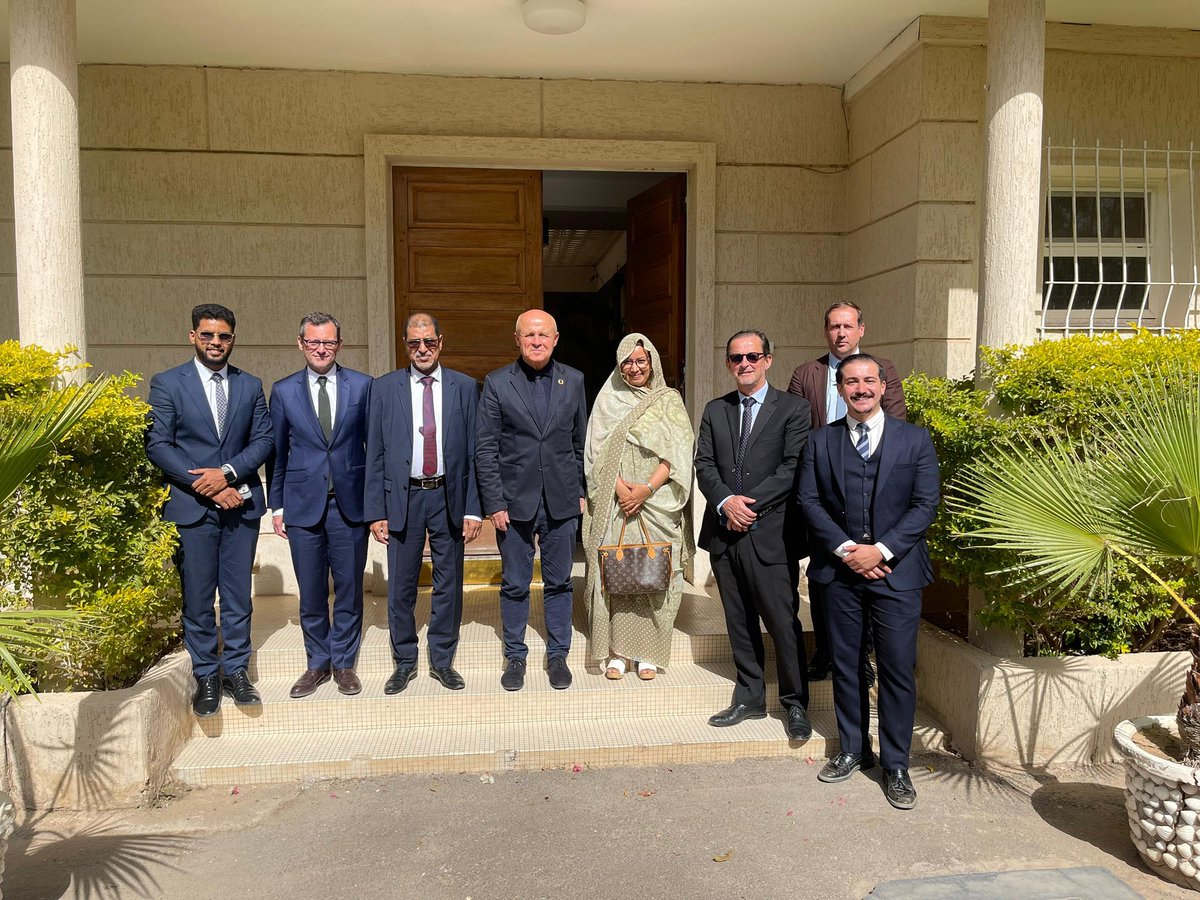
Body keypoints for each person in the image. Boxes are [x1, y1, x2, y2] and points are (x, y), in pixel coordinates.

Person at [799, 353, 939, 810]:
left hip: (897, 574)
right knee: (848, 664)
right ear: (840, 390)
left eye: (868, 381)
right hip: (839, 574)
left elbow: (924, 505)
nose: (860, 389)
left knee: (898, 669)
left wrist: (880, 551)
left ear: (883, 387)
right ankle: (853, 749)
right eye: (851, 382)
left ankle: (896, 763)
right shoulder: (820, 442)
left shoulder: (915, 441)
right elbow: (809, 502)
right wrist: (847, 551)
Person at [146, 303, 273, 718]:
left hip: (240, 507)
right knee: (198, 599)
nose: (216, 343)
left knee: (238, 598)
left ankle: (236, 672)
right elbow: (159, 445)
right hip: (192, 509)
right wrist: (208, 485)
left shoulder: (250, 385)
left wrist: (229, 474)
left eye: (223, 336)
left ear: (232, 339)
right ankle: (206, 674)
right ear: (193, 337)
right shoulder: (168, 383)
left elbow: (263, 440)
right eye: (208, 335)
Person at [694, 329, 812, 741]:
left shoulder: (794, 409)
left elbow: (792, 467)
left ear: (767, 359)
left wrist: (749, 505)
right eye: (736, 358)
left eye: (752, 356)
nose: (744, 363)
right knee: (739, 621)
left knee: (783, 622)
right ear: (728, 363)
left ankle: (795, 703)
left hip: (772, 535)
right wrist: (727, 502)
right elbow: (704, 465)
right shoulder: (715, 410)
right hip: (725, 533)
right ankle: (750, 697)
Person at [787, 301, 907, 682]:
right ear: (826, 332)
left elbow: (897, 426)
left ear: (861, 329)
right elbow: (796, 431)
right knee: (826, 580)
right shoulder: (806, 373)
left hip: (874, 495)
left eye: (847, 325)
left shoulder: (882, 370)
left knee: (873, 573)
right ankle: (826, 651)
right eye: (834, 326)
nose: (840, 332)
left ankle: (865, 656)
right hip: (824, 494)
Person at [364, 314, 482, 694]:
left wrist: (473, 506)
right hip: (404, 497)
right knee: (401, 584)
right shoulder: (384, 388)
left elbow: (476, 452)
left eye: (429, 342)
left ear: (440, 342)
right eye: (414, 343)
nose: (422, 350)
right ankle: (404, 661)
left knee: (450, 583)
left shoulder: (464, 387)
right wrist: (376, 510)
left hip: (448, 493)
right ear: (405, 345)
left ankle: (442, 659)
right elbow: (375, 453)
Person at [476, 309, 588, 692]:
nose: (536, 341)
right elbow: (486, 448)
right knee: (515, 584)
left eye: (543, 335)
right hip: (514, 502)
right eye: (529, 335)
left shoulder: (573, 380)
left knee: (560, 582)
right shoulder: (496, 383)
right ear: (517, 339)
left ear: (555, 339)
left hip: (560, 502)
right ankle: (516, 656)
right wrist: (494, 502)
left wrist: (581, 492)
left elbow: (579, 444)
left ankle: (558, 654)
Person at [268, 313, 372, 699]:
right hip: (302, 506)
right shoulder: (283, 390)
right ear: (301, 344)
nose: (321, 349)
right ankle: (317, 662)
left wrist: (376, 505)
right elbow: (277, 454)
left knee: (348, 588)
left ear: (339, 345)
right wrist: (276, 506)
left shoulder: (362, 386)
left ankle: (343, 662)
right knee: (311, 590)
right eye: (313, 343)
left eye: (328, 342)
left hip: (350, 506)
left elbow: (372, 450)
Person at [582, 334, 694, 681]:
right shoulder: (608, 399)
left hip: (656, 500)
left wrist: (645, 489)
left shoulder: (669, 401)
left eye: (641, 361)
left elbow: (677, 452)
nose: (634, 367)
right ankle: (617, 652)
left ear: (652, 363)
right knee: (614, 573)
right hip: (616, 502)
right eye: (628, 361)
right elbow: (596, 454)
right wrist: (620, 489)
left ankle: (649, 653)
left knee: (657, 573)